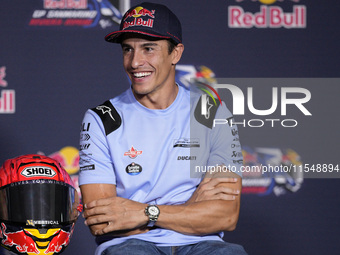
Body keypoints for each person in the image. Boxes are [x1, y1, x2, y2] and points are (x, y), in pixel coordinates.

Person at [79, 2, 247, 255]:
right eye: (128, 50)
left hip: (204, 245)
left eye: (148, 49)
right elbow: (103, 222)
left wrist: (144, 212)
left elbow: (225, 217)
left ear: (176, 54)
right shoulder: (102, 119)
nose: (135, 62)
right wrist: (191, 208)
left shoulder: (213, 115)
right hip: (128, 246)